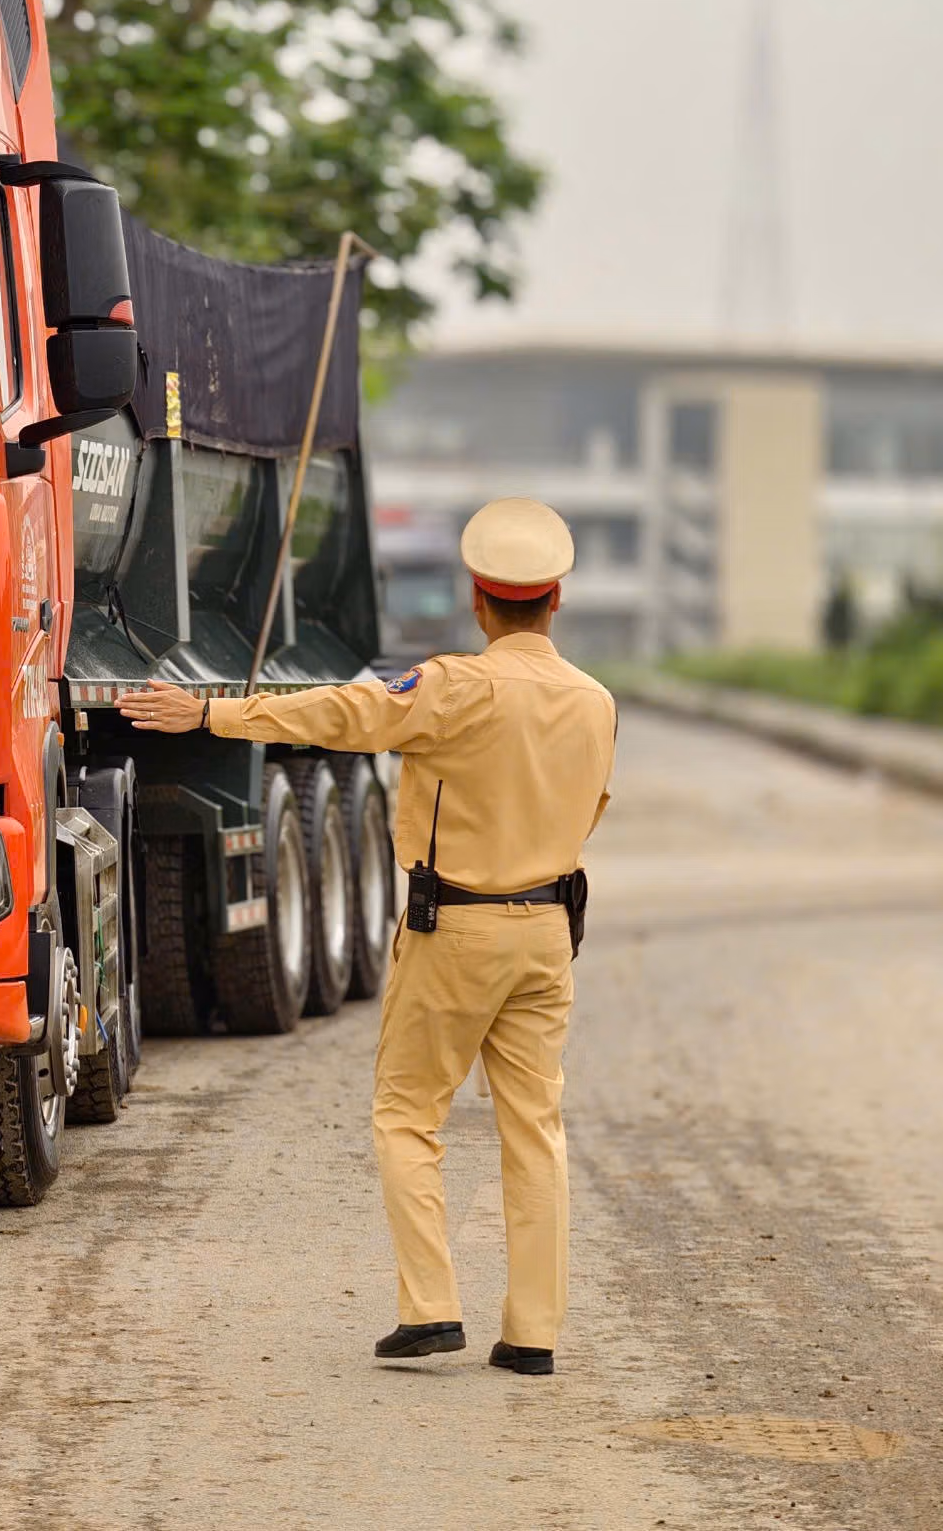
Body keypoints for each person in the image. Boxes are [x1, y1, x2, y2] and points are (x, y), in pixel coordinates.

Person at [118, 498, 616, 1376]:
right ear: (557, 598)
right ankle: (533, 1333)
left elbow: (341, 714)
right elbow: (592, 809)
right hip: (548, 933)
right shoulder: (595, 702)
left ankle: (431, 1307)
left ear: (477, 598)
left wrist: (210, 716)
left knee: (407, 1115)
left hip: (456, 926)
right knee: (535, 1129)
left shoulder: (454, 687)